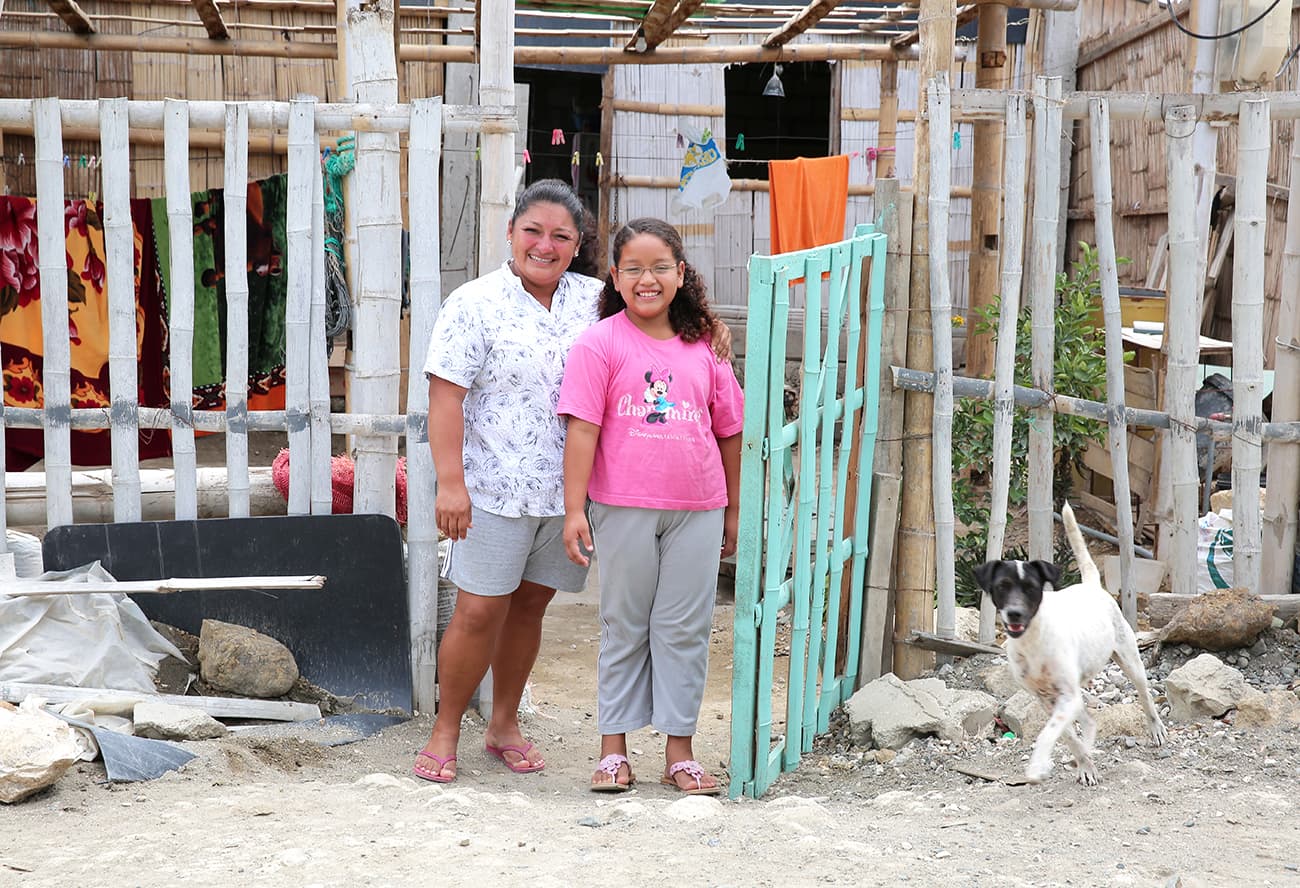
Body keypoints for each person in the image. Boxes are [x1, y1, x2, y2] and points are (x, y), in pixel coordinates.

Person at [411, 179, 603, 784]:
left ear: (577, 245)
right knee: (477, 610)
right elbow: (445, 399)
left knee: (531, 607)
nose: (544, 246)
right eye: (533, 231)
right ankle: (446, 729)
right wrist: (450, 484)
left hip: (570, 495)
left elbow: (661, 322)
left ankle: (503, 724)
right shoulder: (473, 303)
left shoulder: (598, 301)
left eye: (561, 236)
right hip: (491, 487)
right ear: (510, 232)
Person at [557, 218, 744, 796]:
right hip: (623, 507)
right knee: (624, 626)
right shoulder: (600, 343)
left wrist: (733, 510)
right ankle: (613, 751)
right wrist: (573, 510)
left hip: (698, 507)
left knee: (684, 629)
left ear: (680, 273)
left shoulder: (706, 345)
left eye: (660, 267)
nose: (647, 279)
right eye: (633, 268)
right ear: (614, 276)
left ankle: (680, 753)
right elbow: (582, 430)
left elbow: (730, 431)